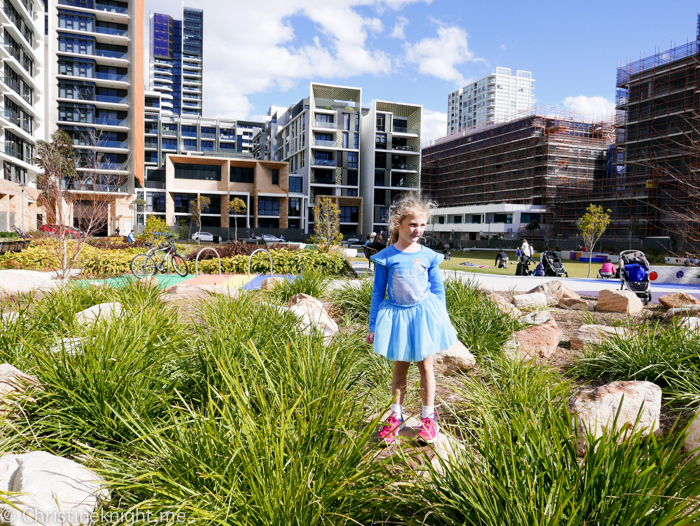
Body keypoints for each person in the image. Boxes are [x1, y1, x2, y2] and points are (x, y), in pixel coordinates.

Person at [367, 194, 458, 445]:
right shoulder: (386, 256)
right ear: (399, 223)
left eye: (422, 225)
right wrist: (373, 325)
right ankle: (396, 416)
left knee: (426, 367)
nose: (418, 230)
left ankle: (429, 417)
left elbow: (437, 290)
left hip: (423, 317)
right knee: (400, 369)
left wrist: (441, 319)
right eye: (413, 224)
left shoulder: (429, 255)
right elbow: (378, 293)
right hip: (398, 318)